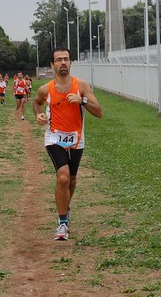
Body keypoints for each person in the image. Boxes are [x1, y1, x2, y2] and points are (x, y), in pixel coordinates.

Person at [33, 47, 103, 241]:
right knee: (62, 178)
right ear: (52, 64)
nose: (63, 63)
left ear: (71, 63)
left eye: (66, 59)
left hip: (76, 139)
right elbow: (37, 103)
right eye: (58, 60)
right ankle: (62, 223)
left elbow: (99, 112)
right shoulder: (45, 89)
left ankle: (66, 208)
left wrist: (82, 100)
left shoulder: (81, 86)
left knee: (71, 179)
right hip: (54, 137)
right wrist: (38, 114)